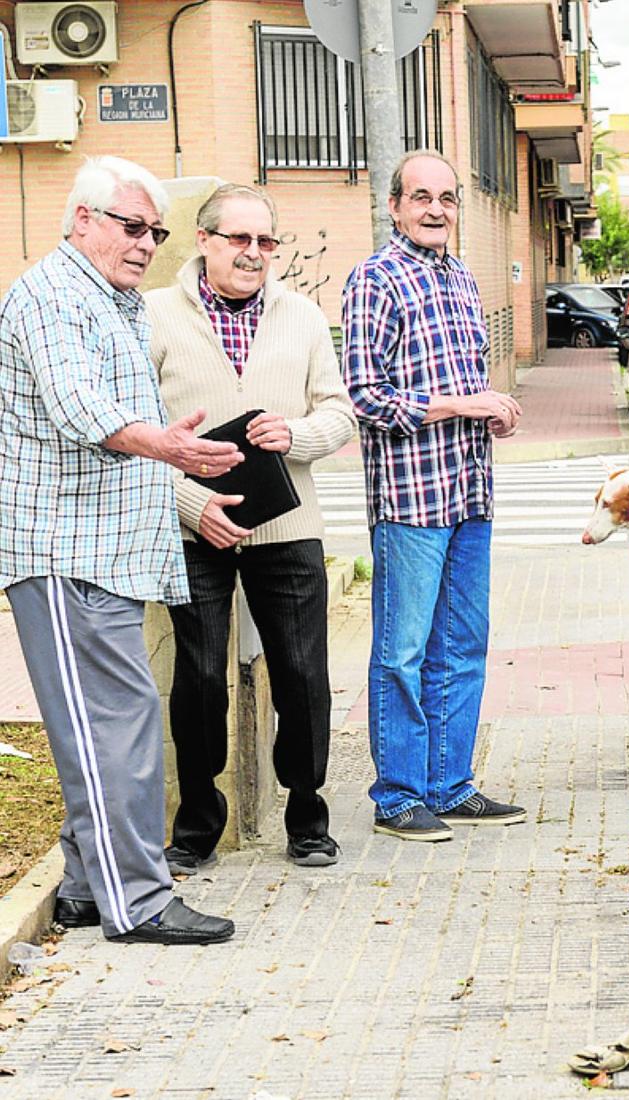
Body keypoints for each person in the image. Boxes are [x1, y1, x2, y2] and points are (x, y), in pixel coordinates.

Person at [0, 157, 242, 943]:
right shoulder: (52, 295)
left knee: (109, 725)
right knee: (114, 729)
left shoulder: (114, 301)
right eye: (132, 226)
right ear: (83, 219)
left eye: (156, 232)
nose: (146, 244)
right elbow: (80, 408)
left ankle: (81, 886)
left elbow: (131, 435)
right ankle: (138, 903)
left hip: (108, 555)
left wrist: (188, 495)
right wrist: (172, 451)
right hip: (65, 555)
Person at [145, 184, 357, 873]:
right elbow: (134, 437)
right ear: (203, 240)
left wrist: (294, 434)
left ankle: (308, 815)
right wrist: (191, 506)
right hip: (193, 527)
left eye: (266, 241)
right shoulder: (152, 316)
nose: (255, 253)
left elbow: (339, 413)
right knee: (201, 678)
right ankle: (198, 822)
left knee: (302, 674)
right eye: (239, 238)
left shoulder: (302, 316)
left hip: (288, 522)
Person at [341, 150, 525, 843]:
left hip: (469, 491)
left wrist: (492, 411)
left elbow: (461, 385)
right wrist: (460, 404)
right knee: (402, 653)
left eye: (447, 198)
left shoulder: (463, 278)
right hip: (410, 501)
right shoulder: (375, 279)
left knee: (464, 646)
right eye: (421, 197)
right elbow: (366, 397)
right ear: (394, 206)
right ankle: (397, 797)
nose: (435, 210)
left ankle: (450, 784)